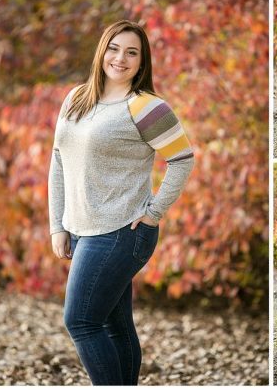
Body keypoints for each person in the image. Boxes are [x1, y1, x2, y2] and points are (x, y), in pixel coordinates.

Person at [48, 20, 194, 385]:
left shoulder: (145, 106)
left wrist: (155, 211)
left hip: (122, 230)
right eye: (114, 48)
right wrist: (57, 225)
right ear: (102, 51)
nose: (121, 58)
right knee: (115, 326)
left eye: (132, 52)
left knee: (80, 321)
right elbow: (58, 160)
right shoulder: (76, 98)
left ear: (142, 62)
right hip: (81, 229)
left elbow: (182, 158)